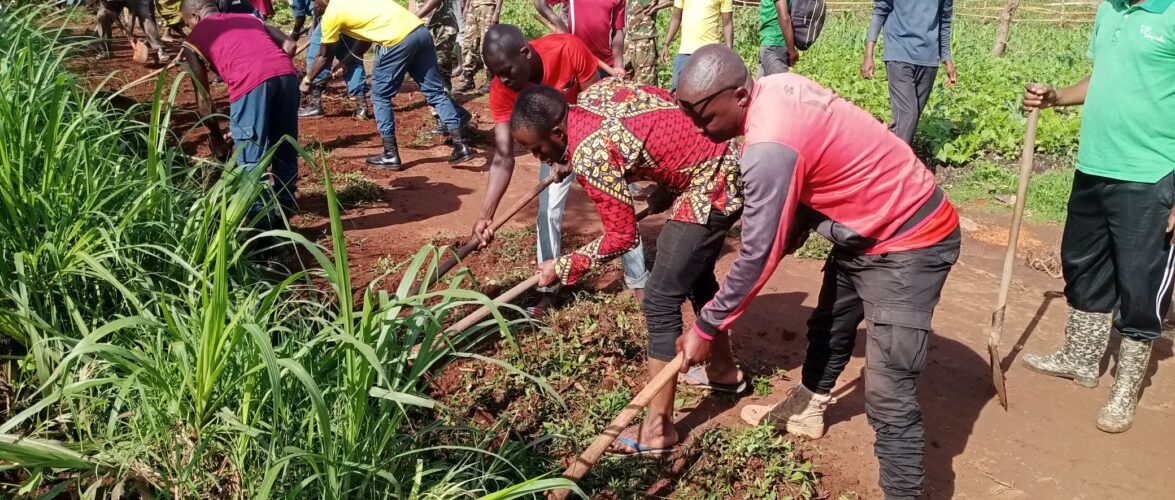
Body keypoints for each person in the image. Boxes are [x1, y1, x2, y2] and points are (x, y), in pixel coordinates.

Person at [674, 44, 960, 500]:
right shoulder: (777, 86)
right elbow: (808, 180)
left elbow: (758, 252)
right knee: (830, 323)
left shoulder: (768, 146)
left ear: (740, 95)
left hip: (911, 239)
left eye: (705, 117)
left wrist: (709, 325)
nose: (698, 128)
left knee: (888, 392)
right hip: (862, 226)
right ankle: (807, 408)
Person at [510, 80, 747, 455]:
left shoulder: (590, 153)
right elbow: (660, 117)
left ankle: (658, 430)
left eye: (538, 149)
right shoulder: (594, 97)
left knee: (660, 297)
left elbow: (623, 238)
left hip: (715, 180)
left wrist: (563, 265)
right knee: (696, 270)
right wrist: (667, 183)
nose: (540, 158)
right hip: (718, 154)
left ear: (557, 132)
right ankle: (723, 371)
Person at [1019, 0, 1175, 435]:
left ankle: (1125, 388)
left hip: (1151, 174)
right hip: (1094, 166)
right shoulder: (1111, 10)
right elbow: (1106, 79)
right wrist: (1058, 97)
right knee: (1083, 264)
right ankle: (1082, 358)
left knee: (1140, 283)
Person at [473, 24, 649, 317]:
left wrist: (578, 155)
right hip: (553, 153)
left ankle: (640, 283)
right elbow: (504, 157)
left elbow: (599, 109)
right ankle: (548, 287)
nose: (502, 79)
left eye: (506, 70)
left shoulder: (568, 49)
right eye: (495, 73)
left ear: (525, 53)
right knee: (547, 213)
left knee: (618, 211)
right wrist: (486, 215)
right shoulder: (501, 88)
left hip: (597, 145)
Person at [302, 0, 475, 169]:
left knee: (380, 96)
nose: (314, 5)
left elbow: (323, 56)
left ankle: (390, 153)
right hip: (419, 31)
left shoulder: (332, 13)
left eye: (315, 1)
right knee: (435, 91)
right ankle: (461, 146)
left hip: (397, 41)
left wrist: (307, 81)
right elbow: (366, 38)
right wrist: (345, 62)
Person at [179, 0, 300, 215]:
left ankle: (259, 223)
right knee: (284, 143)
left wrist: (216, 139)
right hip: (287, 75)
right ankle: (285, 206)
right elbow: (290, 45)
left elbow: (204, 100)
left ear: (195, 16)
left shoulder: (192, 41)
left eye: (187, 22)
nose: (189, 28)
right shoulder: (249, 18)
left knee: (251, 154)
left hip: (250, 80)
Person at [862, 0, 957, 147]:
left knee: (909, 119)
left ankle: (884, 156)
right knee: (908, 114)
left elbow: (944, 21)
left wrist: (947, 59)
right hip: (898, 55)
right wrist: (869, 54)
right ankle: (898, 165)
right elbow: (880, 11)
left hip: (928, 59)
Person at [298, 13, 370, 119]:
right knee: (352, 59)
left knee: (318, 56)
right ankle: (361, 106)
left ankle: (314, 104)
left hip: (332, 18)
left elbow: (320, 4)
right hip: (352, 19)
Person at [534, 0, 629, 78]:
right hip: (577, 63)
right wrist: (558, 23)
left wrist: (619, 65)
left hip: (605, 66)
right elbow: (539, 2)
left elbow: (618, 31)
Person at [661, 0, 733, 91]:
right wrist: (666, 44)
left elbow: (727, 24)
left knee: (707, 93)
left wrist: (730, 53)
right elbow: (676, 18)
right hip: (685, 53)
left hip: (709, 55)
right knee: (678, 92)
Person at [96, 0, 168, 63]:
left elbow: (132, 12)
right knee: (102, 16)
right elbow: (109, 10)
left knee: (144, 14)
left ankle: (159, 48)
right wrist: (123, 30)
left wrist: (130, 32)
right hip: (112, 3)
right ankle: (106, 51)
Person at [456, 0, 501, 93]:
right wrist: (467, 6)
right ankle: (468, 80)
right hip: (473, 8)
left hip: (488, 8)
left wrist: (497, 12)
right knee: (468, 44)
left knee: (486, 46)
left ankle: (490, 82)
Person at [626, 0, 672, 86]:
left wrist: (657, 7)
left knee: (646, 87)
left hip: (645, 42)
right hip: (626, 41)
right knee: (624, 87)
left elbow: (676, 2)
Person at [757, 0, 797, 76]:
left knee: (763, 86)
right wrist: (791, 50)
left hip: (769, 45)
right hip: (775, 46)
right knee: (779, 85)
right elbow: (784, 18)